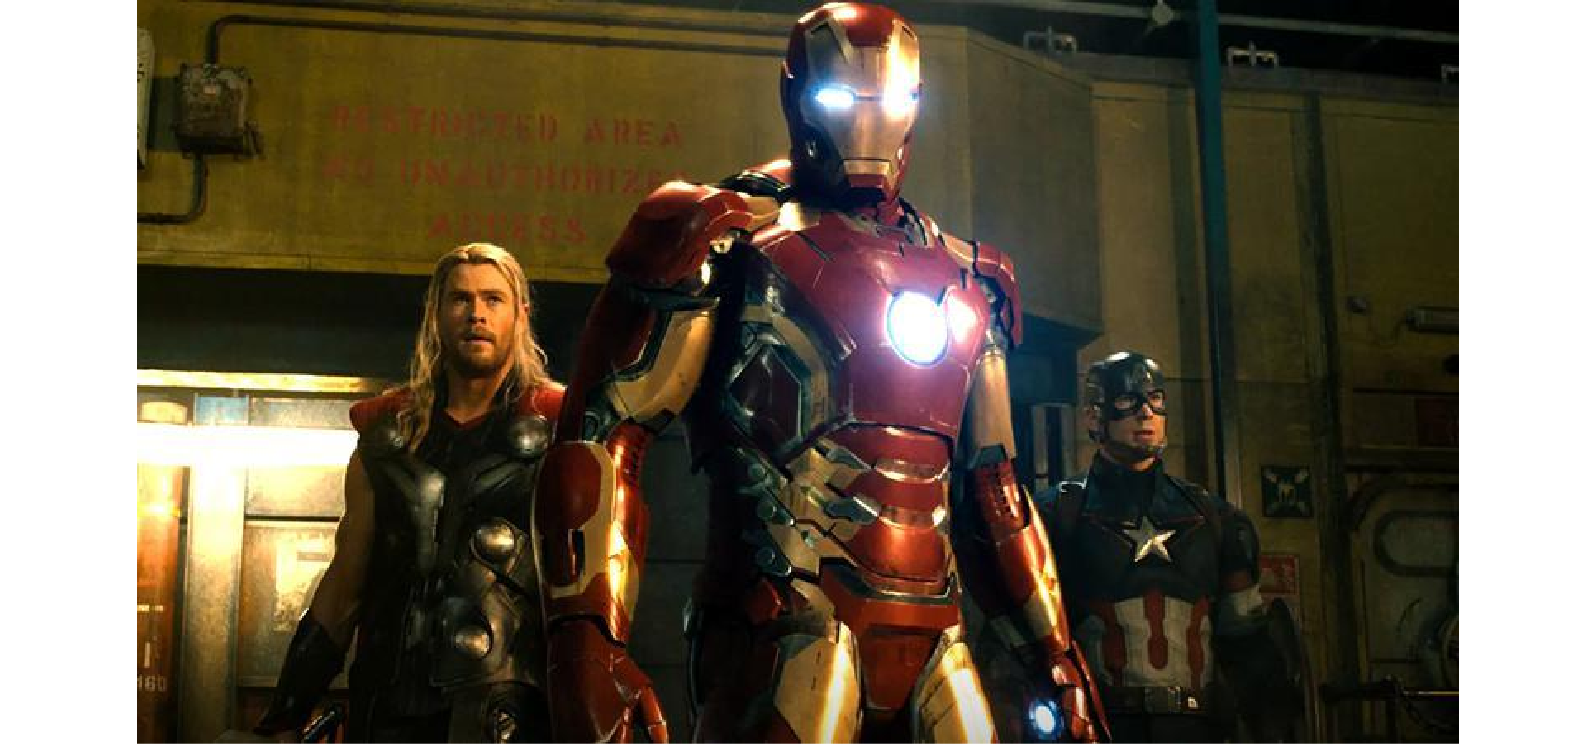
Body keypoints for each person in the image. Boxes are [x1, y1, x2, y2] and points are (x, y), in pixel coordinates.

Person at [531, 4, 1107, 742]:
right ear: (797, 95)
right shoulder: (725, 239)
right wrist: (586, 638)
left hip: (938, 634)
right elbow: (606, 438)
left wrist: (1055, 654)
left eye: (894, 99)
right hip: (784, 619)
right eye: (842, 98)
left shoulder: (969, 277)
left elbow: (996, 492)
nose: (869, 123)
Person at [241, 243, 565, 744]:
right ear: (436, 314)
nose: (476, 314)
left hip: (507, 714)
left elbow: (581, 594)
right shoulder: (387, 434)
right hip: (389, 706)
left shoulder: (560, 430)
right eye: (460, 299)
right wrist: (284, 715)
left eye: (492, 299)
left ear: (520, 316)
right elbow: (343, 588)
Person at [1032, 351, 1307, 744]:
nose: (1145, 413)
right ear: (1093, 417)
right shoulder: (1055, 515)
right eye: (1127, 400)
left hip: (1196, 729)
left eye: (1155, 399)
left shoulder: (1214, 517)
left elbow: (1246, 641)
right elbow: (1027, 641)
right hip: (1097, 728)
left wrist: (1272, 724)